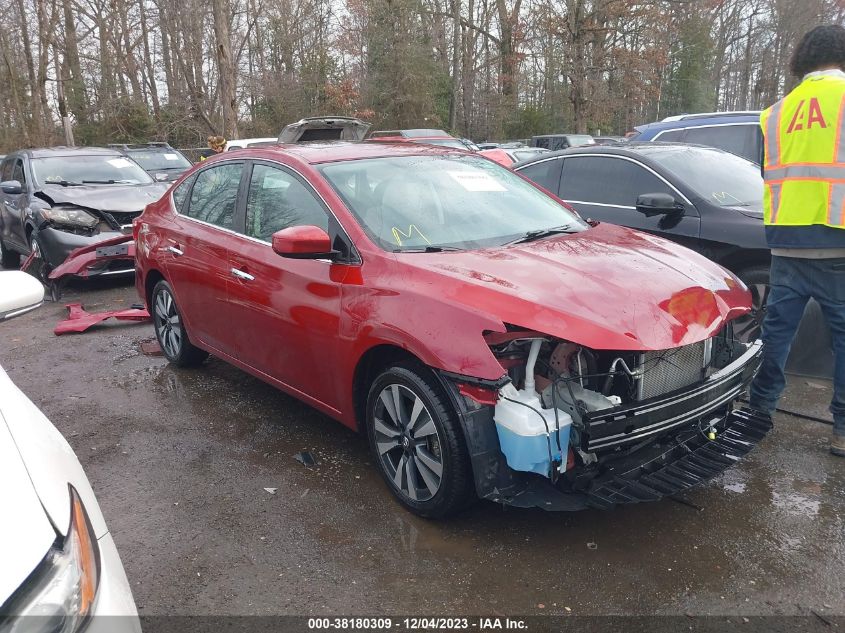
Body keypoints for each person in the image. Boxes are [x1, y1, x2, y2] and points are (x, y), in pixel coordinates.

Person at [749, 25, 845, 457]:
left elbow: (769, 174)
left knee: (776, 336)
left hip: (785, 242)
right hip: (838, 237)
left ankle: (759, 414)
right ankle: (842, 429)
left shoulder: (773, 114)